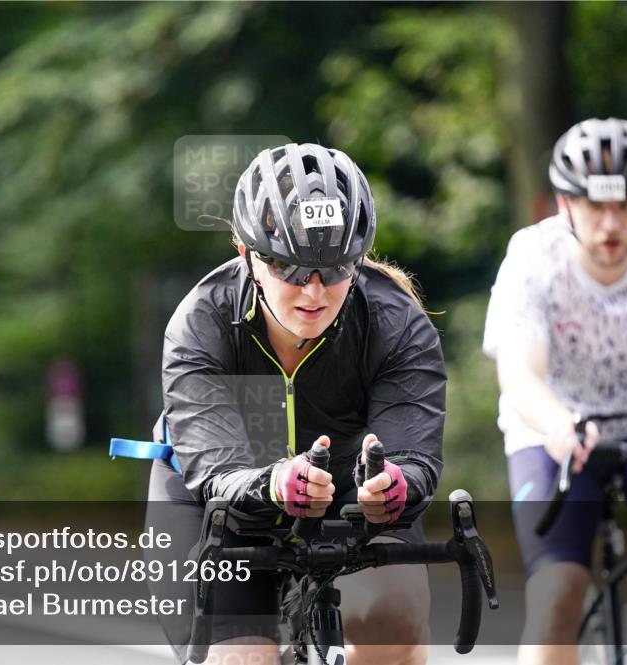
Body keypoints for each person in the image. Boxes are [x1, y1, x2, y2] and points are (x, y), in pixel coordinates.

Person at [144, 142, 446, 665]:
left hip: (350, 501)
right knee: (243, 660)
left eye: (335, 269)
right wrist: (276, 482)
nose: (313, 290)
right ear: (248, 256)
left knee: (395, 623)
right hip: (220, 503)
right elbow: (218, 471)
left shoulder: (396, 324)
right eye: (289, 267)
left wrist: (394, 485)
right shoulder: (201, 324)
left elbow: (414, 458)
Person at [482, 117, 627, 665]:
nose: (609, 223)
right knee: (556, 595)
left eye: (624, 206)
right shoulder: (534, 259)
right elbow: (520, 375)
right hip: (556, 426)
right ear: (564, 204)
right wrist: (560, 424)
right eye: (594, 206)